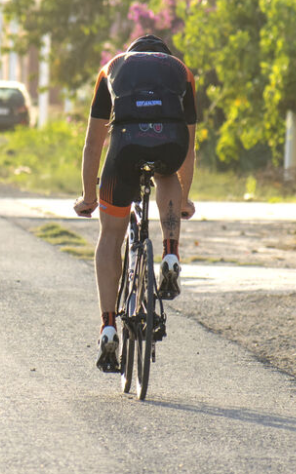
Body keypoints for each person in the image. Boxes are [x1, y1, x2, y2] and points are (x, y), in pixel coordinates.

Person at [72, 35, 197, 372]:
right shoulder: (181, 71)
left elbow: (93, 143)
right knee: (167, 172)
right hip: (170, 142)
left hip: (125, 148)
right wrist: (184, 199)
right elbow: (189, 147)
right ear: (164, 57)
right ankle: (171, 251)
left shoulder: (112, 68)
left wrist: (88, 196)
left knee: (110, 237)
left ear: (132, 54)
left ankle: (109, 326)